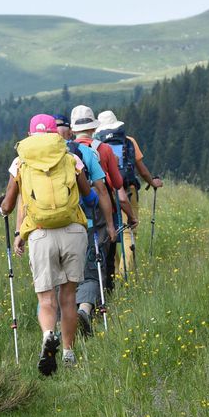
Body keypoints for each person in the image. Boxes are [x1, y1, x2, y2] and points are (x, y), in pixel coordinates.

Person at [0, 114, 99, 376]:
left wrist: (2, 209)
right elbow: (89, 196)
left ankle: (47, 336)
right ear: (56, 133)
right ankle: (67, 352)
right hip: (73, 231)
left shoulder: (20, 162)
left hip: (41, 234)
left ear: (31, 135)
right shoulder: (70, 157)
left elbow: (8, 206)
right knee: (68, 297)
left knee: (46, 298)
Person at [54, 114, 116, 335]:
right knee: (90, 272)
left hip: (51, 227)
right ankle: (84, 310)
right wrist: (110, 224)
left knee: (60, 277)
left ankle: (61, 327)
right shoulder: (87, 154)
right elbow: (102, 191)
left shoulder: (37, 160)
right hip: (86, 223)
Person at [70, 105, 135, 290]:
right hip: (102, 210)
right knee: (105, 258)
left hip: (73, 211)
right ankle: (104, 297)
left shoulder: (66, 150)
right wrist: (112, 224)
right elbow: (116, 183)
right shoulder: (104, 150)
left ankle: (82, 298)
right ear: (93, 128)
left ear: (74, 129)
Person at [94, 110, 164, 270]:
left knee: (107, 231)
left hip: (103, 190)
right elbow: (142, 170)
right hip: (128, 189)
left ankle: (113, 270)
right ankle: (125, 273)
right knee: (128, 231)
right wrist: (152, 183)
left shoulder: (96, 144)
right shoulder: (129, 141)